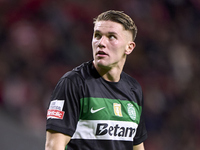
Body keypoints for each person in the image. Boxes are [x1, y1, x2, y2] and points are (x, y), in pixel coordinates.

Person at [45, 10, 147, 150]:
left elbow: (137, 146)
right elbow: (53, 146)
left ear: (129, 47)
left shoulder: (133, 89)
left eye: (111, 37)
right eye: (97, 35)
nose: (101, 43)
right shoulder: (73, 83)